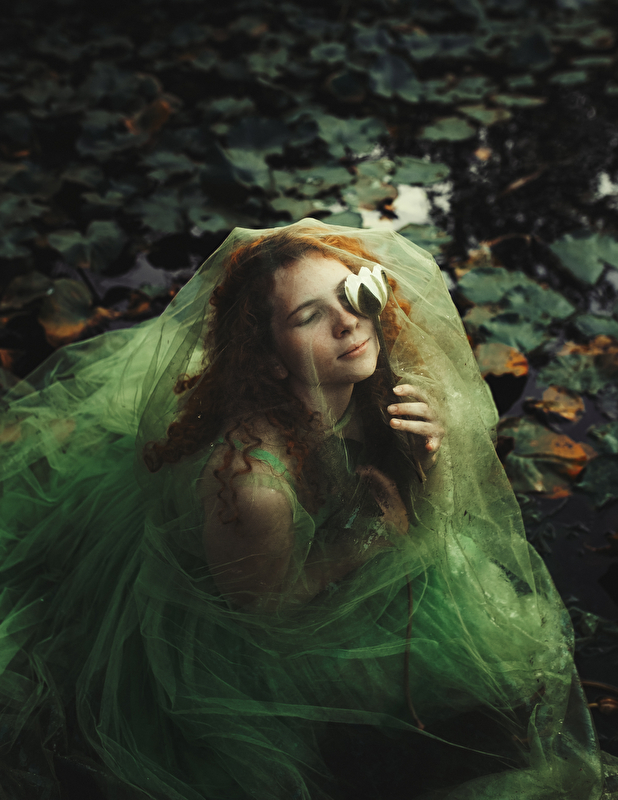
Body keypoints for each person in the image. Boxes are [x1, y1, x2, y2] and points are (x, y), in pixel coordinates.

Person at [0, 220, 615, 799]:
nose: (348, 323)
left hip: (335, 551)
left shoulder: (374, 388)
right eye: (308, 316)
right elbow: (261, 610)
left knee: (498, 683)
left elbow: (437, 513)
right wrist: (361, 544)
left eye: (351, 296)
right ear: (270, 357)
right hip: (257, 630)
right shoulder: (252, 484)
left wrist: (430, 456)